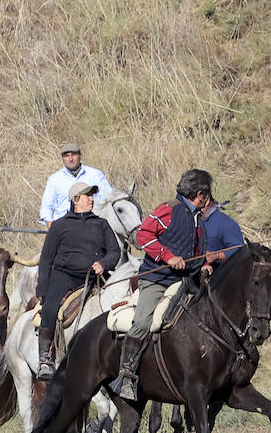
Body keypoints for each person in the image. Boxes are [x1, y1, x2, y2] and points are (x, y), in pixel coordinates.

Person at [118, 169, 219, 400]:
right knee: (143, 321)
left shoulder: (198, 218)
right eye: (207, 195)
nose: (208, 199)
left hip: (185, 281)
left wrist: (203, 263)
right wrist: (167, 256)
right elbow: (143, 235)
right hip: (157, 280)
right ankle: (126, 374)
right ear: (200, 194)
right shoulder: (168, 210)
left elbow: (194, 250)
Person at [34, 182, 123, 380]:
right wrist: (42, 287)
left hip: (95, 278)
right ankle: (45, 361)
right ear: (75, 200)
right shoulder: (59, 226)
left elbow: (115, 252)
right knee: (49, 309)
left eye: (92, 195)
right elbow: (46, 259)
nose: (91, 199)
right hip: (64, 277)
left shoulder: (101, 224)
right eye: (87, 195)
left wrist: (103, 263)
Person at [39, 143, 114, 225]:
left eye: (74, 155)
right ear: (62, 159)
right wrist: (52, 228)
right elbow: (46, 206)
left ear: (80, 156)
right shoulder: (54, 179)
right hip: (64, 227)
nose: (70, 159)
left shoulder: (96, 175)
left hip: (92, 224)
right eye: (66, 156)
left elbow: (109, 199)